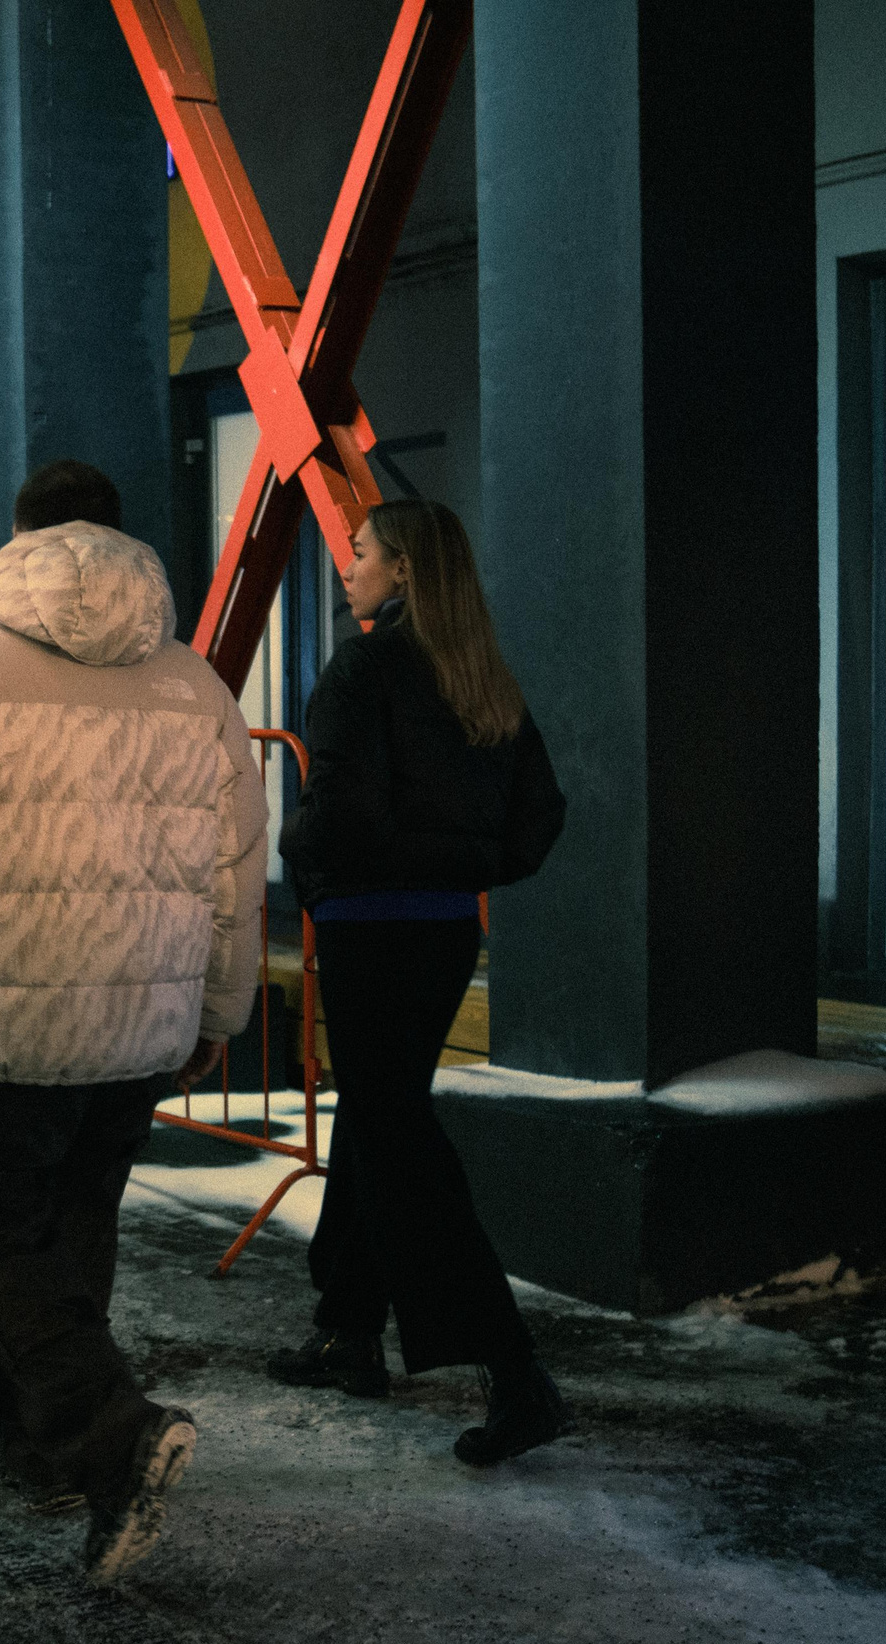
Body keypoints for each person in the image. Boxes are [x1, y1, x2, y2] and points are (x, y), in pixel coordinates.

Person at [0, 459, 267, 1584]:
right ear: (126, 539)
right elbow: (234, 873)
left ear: (19, 541)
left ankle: (111, 1437)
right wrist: (220, 1009)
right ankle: (39, 1450)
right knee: (74, 1226)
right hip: (139, 1026)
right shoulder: (194, 688)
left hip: (4, 1023)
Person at [267, 496, 571, 1466]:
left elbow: (339, 807)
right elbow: (539, 814)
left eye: (358, 552)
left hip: (368, 925)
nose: (344, 564)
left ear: (400, 569)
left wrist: (305, 864)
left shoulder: (366, 664)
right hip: (440, 933)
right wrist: (464, 866)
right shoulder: (476, 670)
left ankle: (512, 1369)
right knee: (377, 1112)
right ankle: (347, 1330)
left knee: (397, 1140)